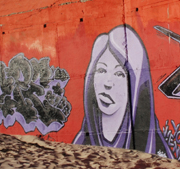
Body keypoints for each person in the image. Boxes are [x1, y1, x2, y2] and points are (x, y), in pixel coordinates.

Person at [73, 25, 172, 158]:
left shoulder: (153, 145)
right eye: (101, 70)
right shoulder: (82, 143)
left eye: (119, 74)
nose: (108, 83)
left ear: (135, 84)